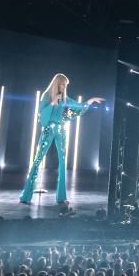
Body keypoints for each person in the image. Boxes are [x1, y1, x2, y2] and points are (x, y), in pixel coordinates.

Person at [19, 73, 104, 208]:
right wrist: (53, 102)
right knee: (37, 160)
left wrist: (90, 100)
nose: (64, 87)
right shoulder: (47, 96)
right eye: (63, 84)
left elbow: (78, 107)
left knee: (62, 161)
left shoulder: (65, 99)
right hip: (48, 130)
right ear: (57, 83)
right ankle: (26, 196)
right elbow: (42, 115)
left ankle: (61, 197)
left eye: (66, 85)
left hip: (61, 131)